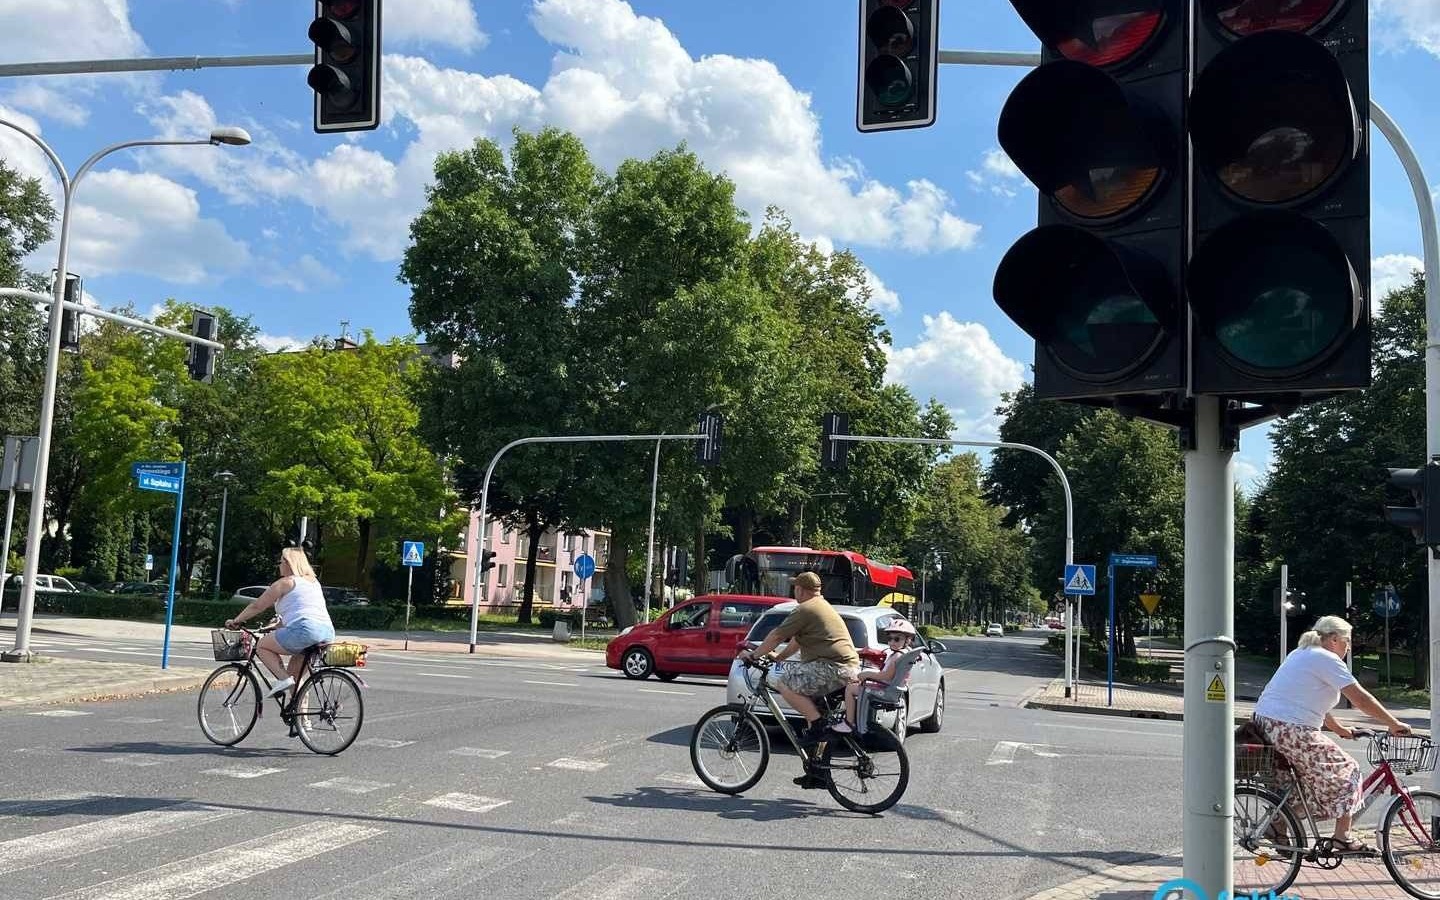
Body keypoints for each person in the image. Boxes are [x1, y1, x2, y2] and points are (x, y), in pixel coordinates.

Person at [1251, 615, 1411, 854]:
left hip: (1266, 726)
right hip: (1290, 728)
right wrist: (1393, 723)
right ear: (1335, 639)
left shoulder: (1301, 653)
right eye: (1348, 641)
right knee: (1349, 771)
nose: (1349, 647)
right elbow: (1360, 699)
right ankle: (1342, 837)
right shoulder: (1326, 658)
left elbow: (1312, 702)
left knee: (1301, 785)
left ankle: (1277, 828)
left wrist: (1340, 730)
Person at [739, 571, 860, 752]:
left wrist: (754, 655)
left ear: (801, 590)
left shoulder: (806, 609)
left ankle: (818, 725)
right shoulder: (821, 605)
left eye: (795, 587)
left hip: (834, 668)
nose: (794, 591)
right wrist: (779, 657)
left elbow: (777, 635)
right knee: (813, 715)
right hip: (844, 668)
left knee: (785, 683)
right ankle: (817, 771)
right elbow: (796, 641)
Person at [225, 546, 335, 702]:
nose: (279, 565)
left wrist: (236, 621)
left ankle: (283, 680)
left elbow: (257, 606)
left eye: (281, 561)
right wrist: (274, 626)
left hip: (304, 630)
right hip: (326, 633)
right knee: (295, 677)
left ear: (290, 563)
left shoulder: (285, 582)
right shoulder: (313, 582)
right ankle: (303, 723)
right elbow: (301, 613)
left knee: (262, 646)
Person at [831, 618, 917, 735]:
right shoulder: (904, 654)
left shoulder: (896, 656)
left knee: (850, 689)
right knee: (855, 682)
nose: (892, 642)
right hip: (889, 688)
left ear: (908, 640)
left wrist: (867, 674)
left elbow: (886, 675)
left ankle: (849, 722)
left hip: (884, 689)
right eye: (890, 638)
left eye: (897, 639)